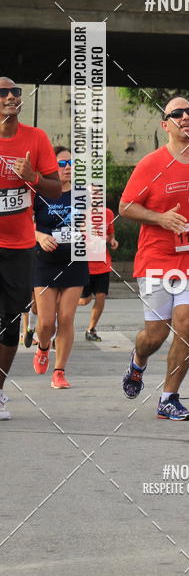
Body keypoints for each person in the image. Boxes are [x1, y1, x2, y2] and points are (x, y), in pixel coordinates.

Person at [119, 96, 189, 421]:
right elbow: (126, 206)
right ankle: (138, 360)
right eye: (177, 113)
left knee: (187, 325)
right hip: (156, 259)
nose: (186, 117)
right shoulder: (151, 164)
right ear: (165, 124)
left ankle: (169, 398)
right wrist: (160, 218)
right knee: (155, 335)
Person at [0, 79, 60, 418]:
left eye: (16, 92)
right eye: (3, 93)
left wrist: (32, 176)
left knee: (9, 324)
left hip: (19, 245)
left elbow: (54, 189)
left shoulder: (35, 138)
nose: (11, 97)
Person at [32, 146, 89, 389]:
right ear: (51, 167)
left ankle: (59, 371)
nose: (68, 169)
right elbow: (24, 224)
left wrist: (88, 230)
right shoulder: (38, 193)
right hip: (44, 262)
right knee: (46, 323)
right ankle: (43, 348)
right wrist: (40, 236)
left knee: (66, 317)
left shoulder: (83, 194)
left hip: (74, 261)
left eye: (71, 163)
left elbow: (92, 223)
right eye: (62, 164)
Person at [79, 188, 118, 341]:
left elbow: (110, 233)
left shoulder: (108, 213)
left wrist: (112, 241)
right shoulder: (80, 213)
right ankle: (60, 305)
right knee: (84, 300)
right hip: (84, 264)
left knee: (101, 297)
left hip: (102, 263)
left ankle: (91, 329)